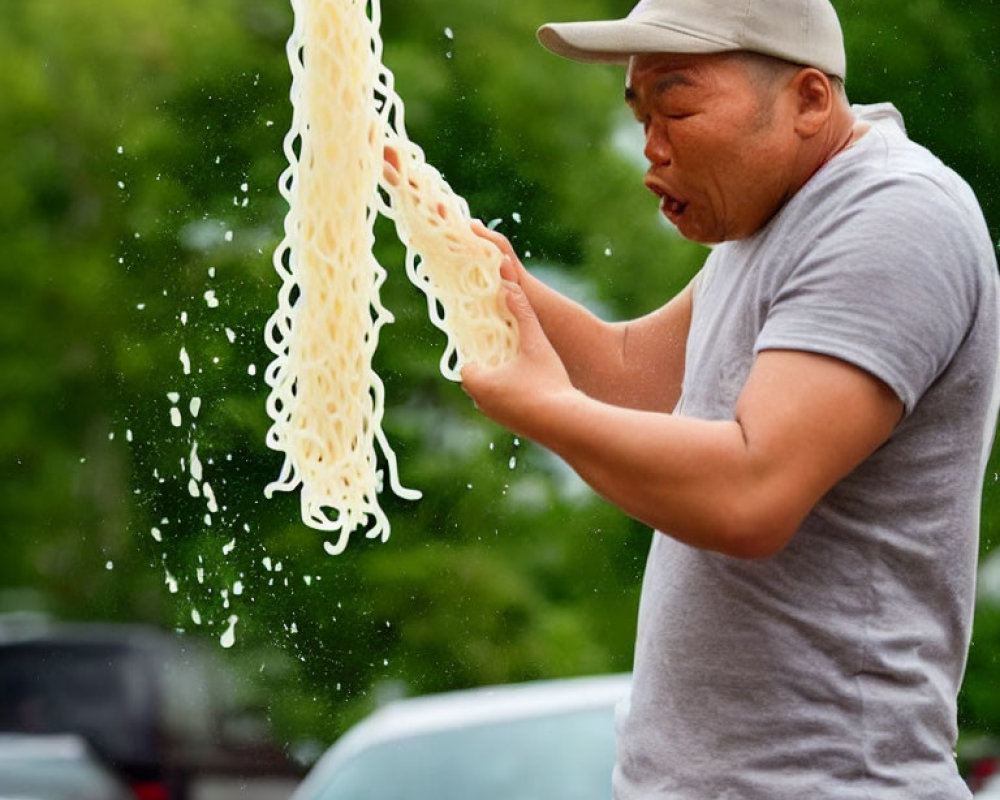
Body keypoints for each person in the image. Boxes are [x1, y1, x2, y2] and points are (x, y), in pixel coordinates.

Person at [459, 0, 1000, 797]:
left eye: (677, 106)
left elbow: (750, 493)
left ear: (809, 100)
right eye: (642, 113)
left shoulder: (892, 216)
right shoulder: (776, 210)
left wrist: (539, 408)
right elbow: (639, 377)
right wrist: (484, 277)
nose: (651, 147)